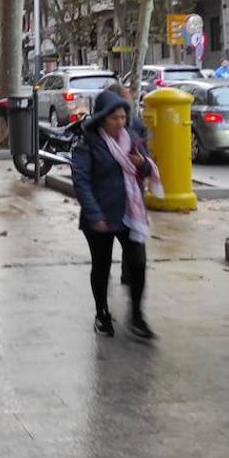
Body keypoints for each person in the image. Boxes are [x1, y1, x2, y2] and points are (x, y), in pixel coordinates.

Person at [71, 89, 162, 339]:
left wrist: (142, 164)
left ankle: (137, 316)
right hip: (99, 217)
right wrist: (94, 215)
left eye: (123, 117)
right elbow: (81, 182)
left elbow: (144, 170)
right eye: (114, 118)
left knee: (138, 263)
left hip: (130, 214)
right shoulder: (88, 144)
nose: (120, 123)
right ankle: (102, 314)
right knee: (101, 266)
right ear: (102, 118)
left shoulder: (132, 138)